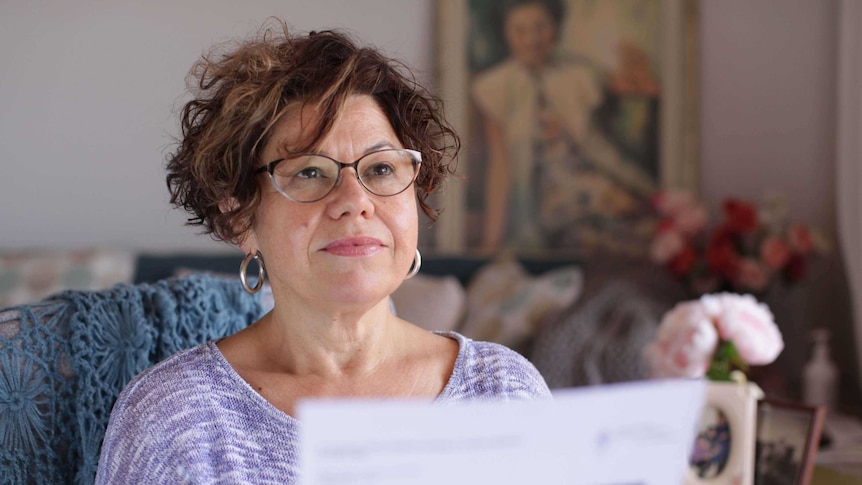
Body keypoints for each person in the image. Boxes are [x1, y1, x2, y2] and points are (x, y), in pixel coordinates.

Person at [95, 21, 551, 484]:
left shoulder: (503, 391)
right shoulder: (176, 420)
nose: (355, 199)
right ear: (239, 216)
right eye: (310, 172)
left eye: (380, 168)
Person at [471, 0, 657, 252]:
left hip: (590, 179)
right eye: (520, 30)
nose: (531, 40)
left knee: (634, 218)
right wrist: (490, 241)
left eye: (540, 27)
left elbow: (607, 139)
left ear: (555, 27)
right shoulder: (495, 87)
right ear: (505, 33)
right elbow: (500, 165)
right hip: (544, 197)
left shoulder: (581, 75)